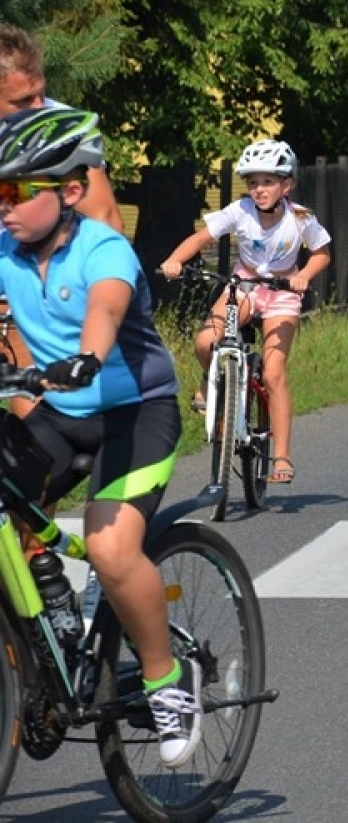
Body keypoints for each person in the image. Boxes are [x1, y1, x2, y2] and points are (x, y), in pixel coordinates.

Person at [0, 106, 201, 767]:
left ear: (70, 191)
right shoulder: (4, 250)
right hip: (59, 415)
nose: (4, 205)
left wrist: (87, 358)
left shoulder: (103, 249)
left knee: (112, 550)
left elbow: (105, 308)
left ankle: (167, 683)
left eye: (17, 190)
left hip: (135, 414)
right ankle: (42, 636)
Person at [158, 140, 332, 484]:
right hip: (244, 286)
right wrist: (175, 260)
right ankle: (210, 385)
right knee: (206, 341)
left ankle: (281, 456)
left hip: (282, 294)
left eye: (268, 182)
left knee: (273, 374)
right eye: (253, 182)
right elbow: (201, 239)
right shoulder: (240, 210)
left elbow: (322, 253)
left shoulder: (301, 218)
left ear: (286, 185)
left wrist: (303, 276)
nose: (259, 189)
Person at [0, 26, 123, 232]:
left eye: (42, 93)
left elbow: (106, 222)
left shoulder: (65, 128)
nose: (40, 107)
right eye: (24, 100)